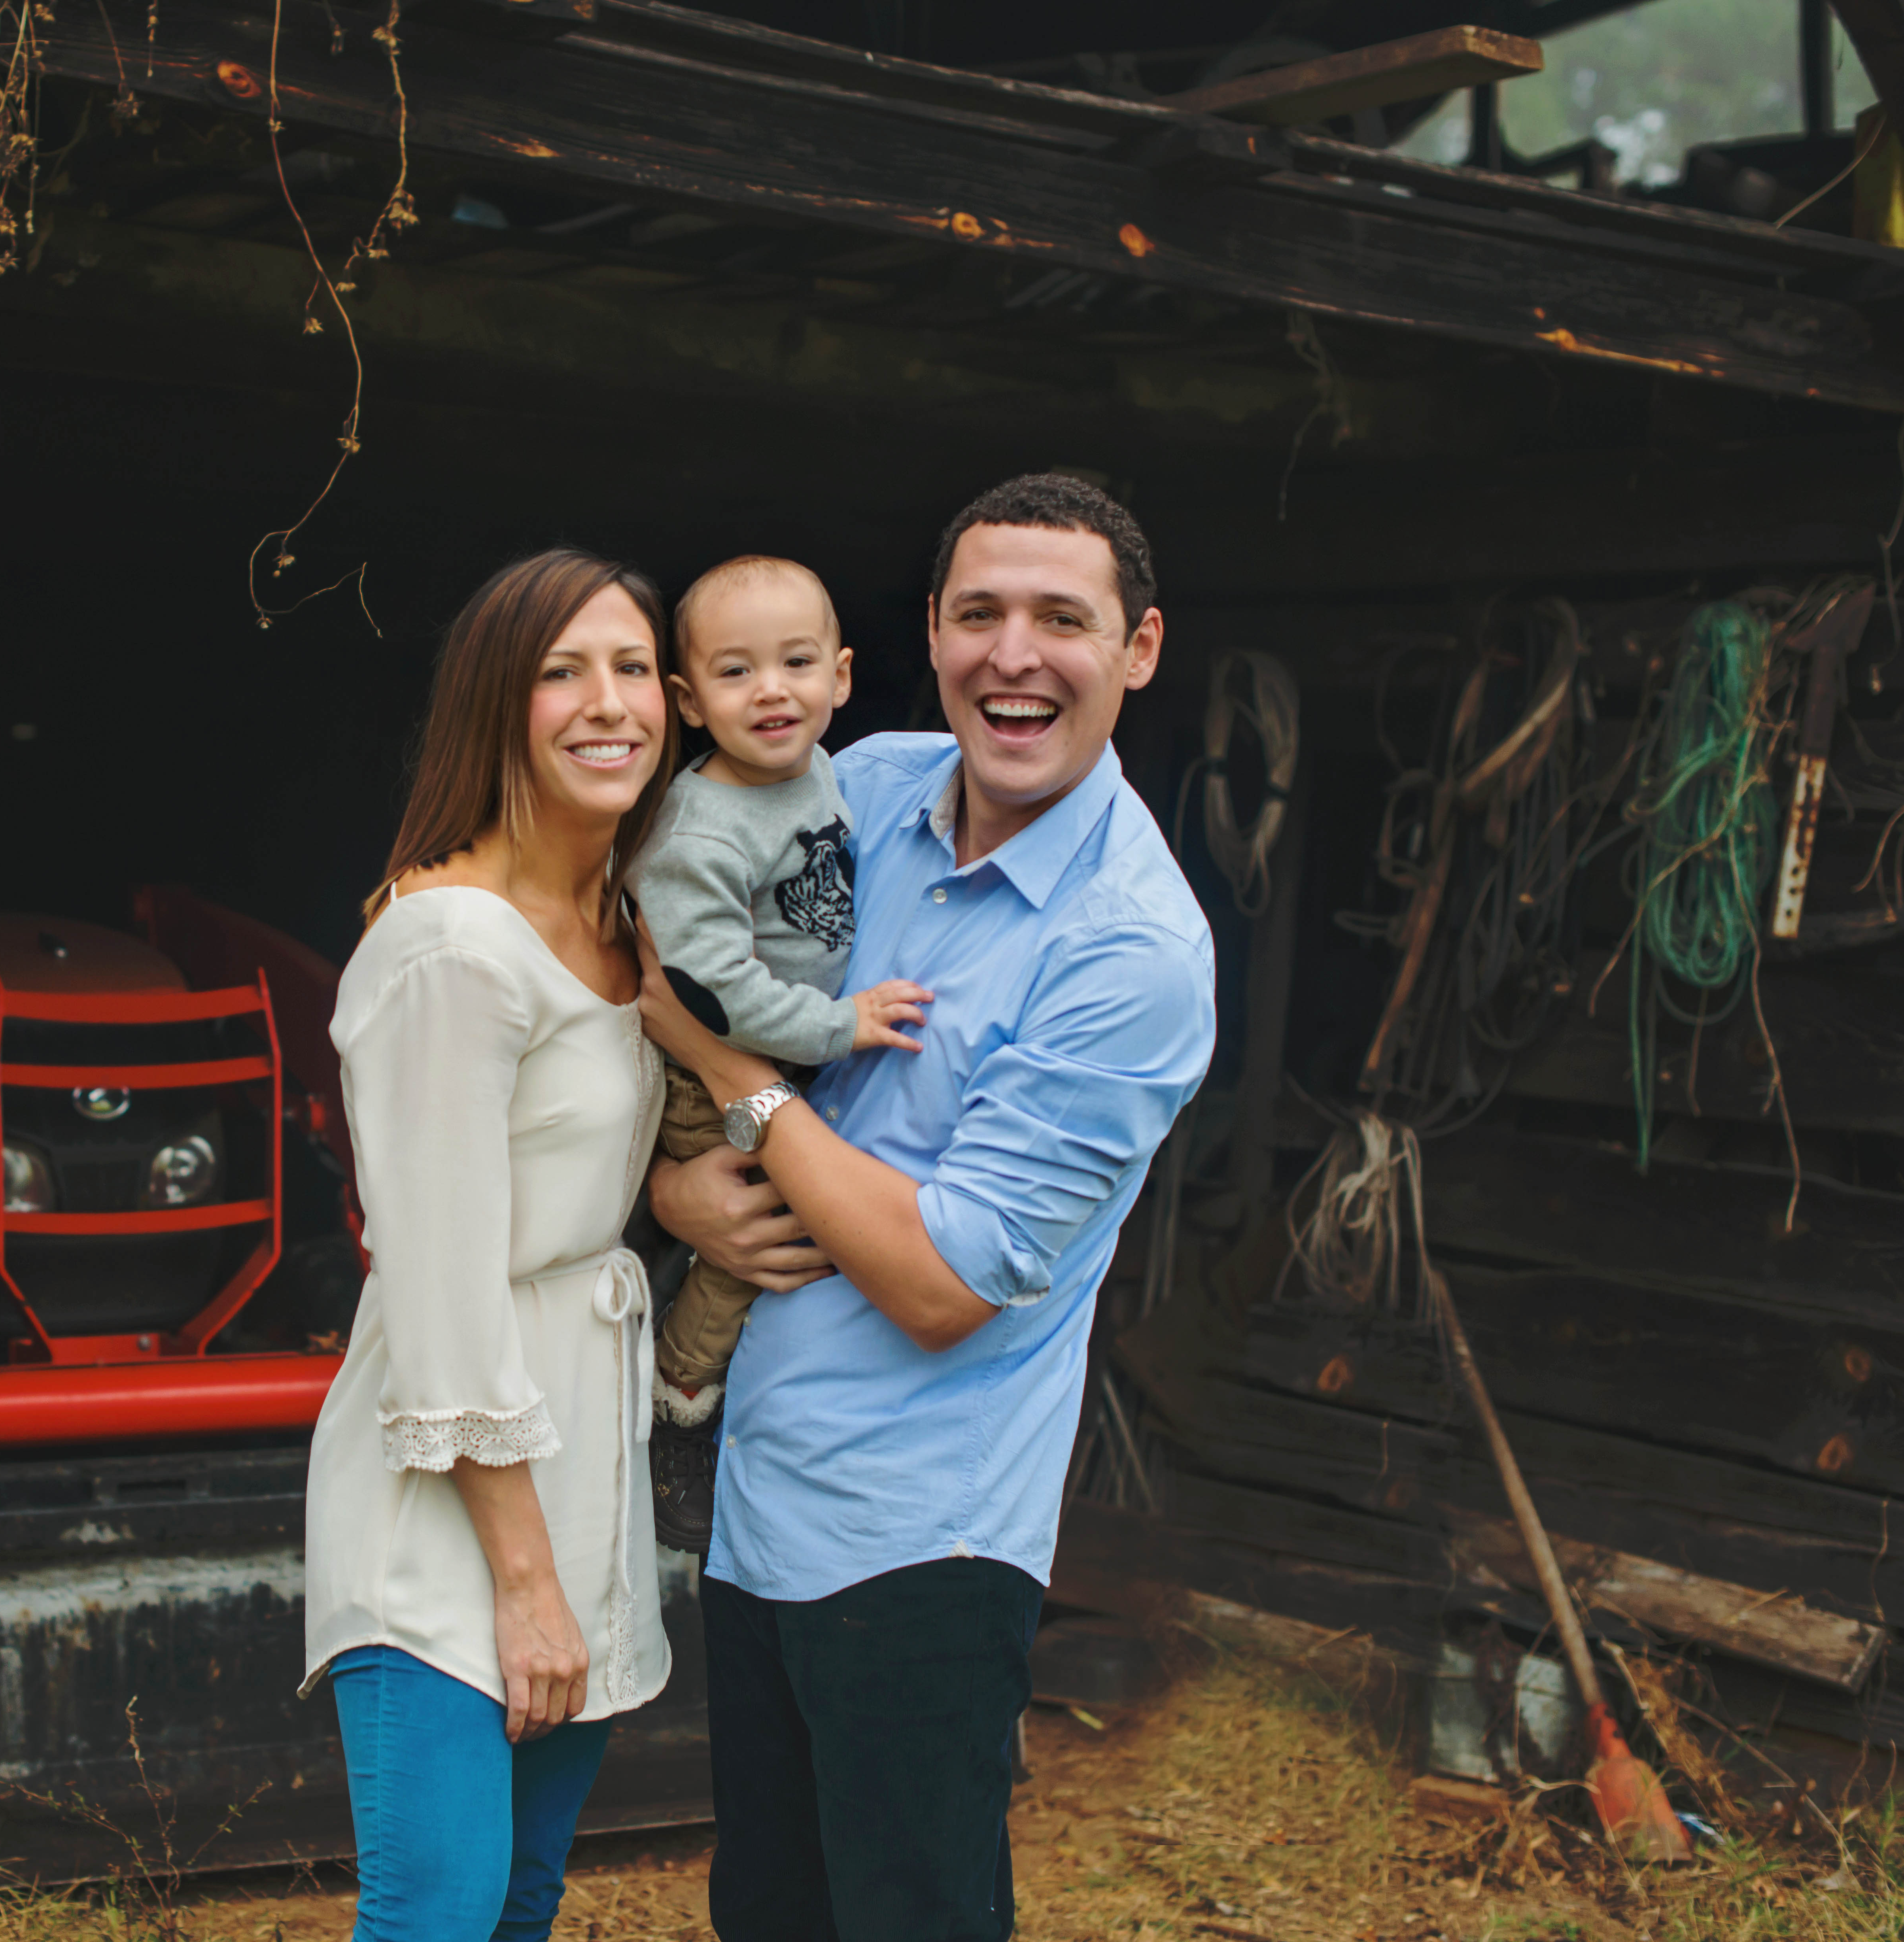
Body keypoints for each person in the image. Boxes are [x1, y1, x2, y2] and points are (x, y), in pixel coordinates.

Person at [639, 475, 1217, 1942]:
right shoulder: (866, 786)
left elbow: (941, 1281)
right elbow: (648, 924)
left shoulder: (1131, 954)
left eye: (1062, 620)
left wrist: (732, 1073)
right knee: (768, 1913)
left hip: (921, 1543)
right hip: (760, 1499)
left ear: (1140, 650)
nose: (1014, 656)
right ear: (931, 635)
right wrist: (673, 1188)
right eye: (980, 615)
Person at [301, 546, 678, 1942]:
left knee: (520, 1906)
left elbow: (588, 1164)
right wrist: (527, 1584)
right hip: (449, 1496)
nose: (609, 702)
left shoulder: (622, 918)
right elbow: (442, 1292)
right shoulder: (451, 945)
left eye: (633, 666)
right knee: (440, 1914)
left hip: (580, 1464)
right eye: (561, 672)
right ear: (493, 706)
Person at [625, 555, 930, 1553]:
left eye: (796, 663)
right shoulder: (700, 830)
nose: (771, 691)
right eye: (735, 671)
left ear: (840, 677)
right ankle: (678, 1396)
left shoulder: (824, 771)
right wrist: (841, 1026)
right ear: (689, 702)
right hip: (705, 1069)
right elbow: (707, 988)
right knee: (764, 1229)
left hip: (780, 1060)